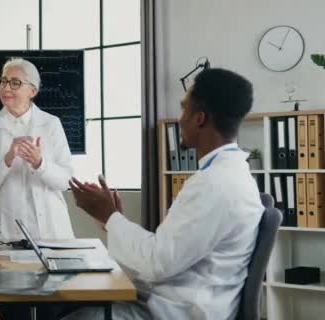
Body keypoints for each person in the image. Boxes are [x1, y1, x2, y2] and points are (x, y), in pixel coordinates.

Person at [67, 68, 264, 320]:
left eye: (184, 109)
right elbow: (167, 251)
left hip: (177, 313)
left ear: (200, 118)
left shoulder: (216, 184)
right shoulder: (226, 174)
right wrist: (111, 220)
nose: (179, 118)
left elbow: (156, 263)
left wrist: (111, 217)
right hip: (179, 302)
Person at [0, 57, 75, 241]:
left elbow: (66, 181)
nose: (6, 88)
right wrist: (7, 160)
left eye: (15, 83)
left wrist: (40, 163)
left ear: (32, 91)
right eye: (3, 81)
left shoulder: (51, 124)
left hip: (52, 232)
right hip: (7, 233)